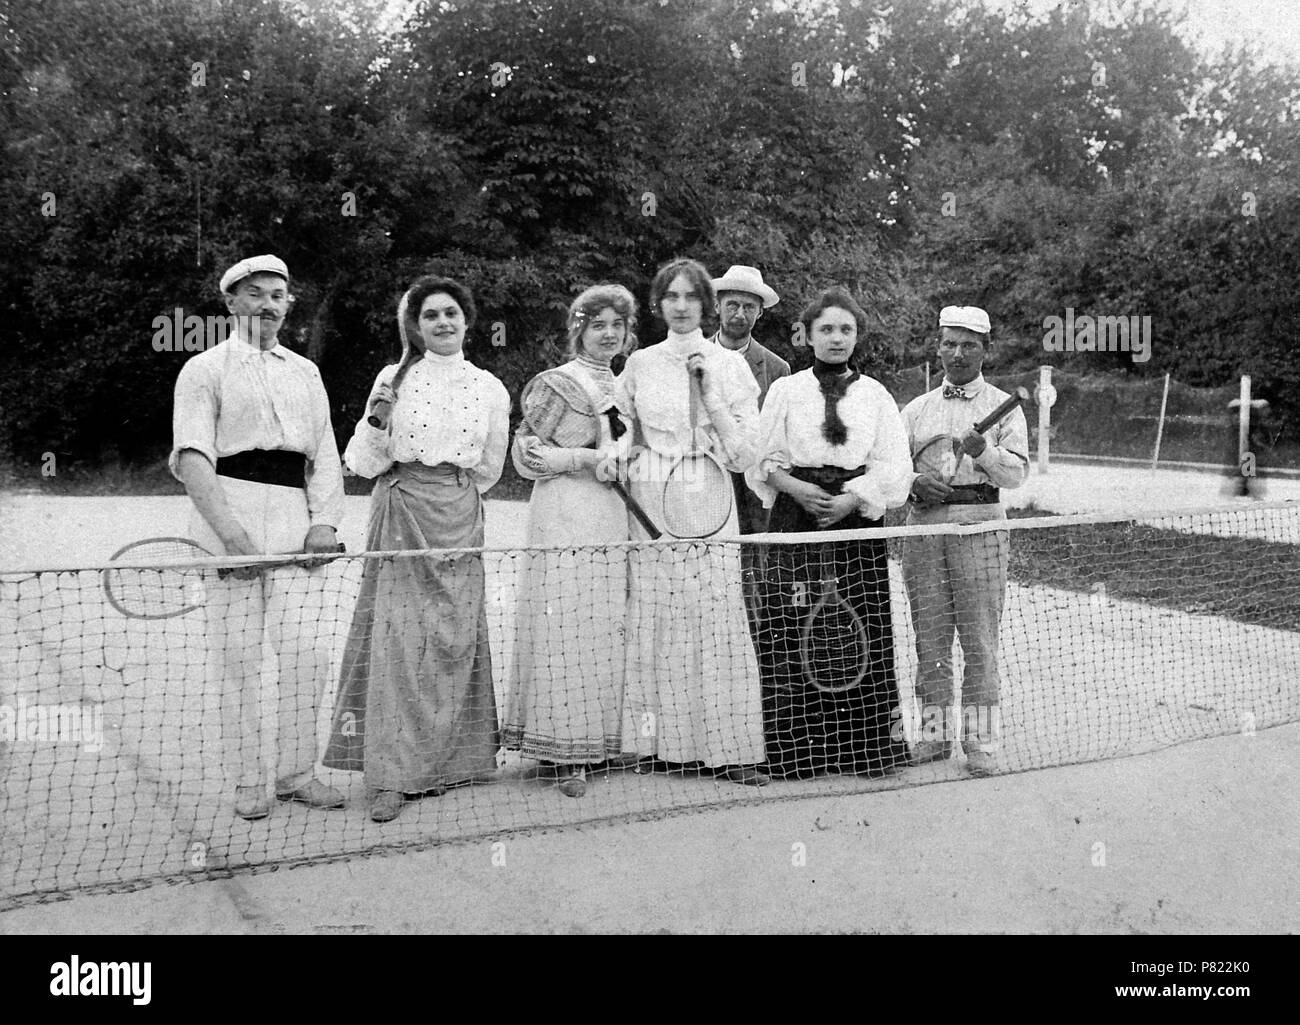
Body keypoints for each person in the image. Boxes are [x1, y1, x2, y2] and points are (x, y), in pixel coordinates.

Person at [323, 275, 510, 822]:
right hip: (401, 508)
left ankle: (452, 763)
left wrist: (450, 495)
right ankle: (392, 776)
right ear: (417, 325)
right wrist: (376, 415)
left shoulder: (489, 387)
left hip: (458, 514)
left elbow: (489, 469)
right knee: (400, 641)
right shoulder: (392, 377)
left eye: (452, 313)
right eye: (431, 316)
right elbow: (361, 462)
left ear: (467, 320)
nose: (443, 323)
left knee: (454, 637)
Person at [170, 253, 346, 821]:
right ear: (230, 302)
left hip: (294, 515)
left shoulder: (306, 372)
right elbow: (194, 459)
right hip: (230, 512)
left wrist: (323, 523)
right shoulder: (203, 370)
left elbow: (324, 456)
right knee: (238, 656)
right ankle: (249, 782)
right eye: (255, 293)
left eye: (278, 294)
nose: (268, 304)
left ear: (287, 304)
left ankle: (297, 774)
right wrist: (230, 536)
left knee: (309, 653)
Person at [747, 288, 912, 778]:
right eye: (827, 330)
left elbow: (894, 466)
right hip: (798, 518)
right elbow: (763, 460)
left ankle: (862, 750)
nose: (837, 339)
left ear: (856, 336)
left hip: (855, 519)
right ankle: (795, 754)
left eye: (846, 330)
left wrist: (852, 497)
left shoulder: (876, 394)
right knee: (793, 621)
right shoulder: (786, 390)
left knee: (859, 623)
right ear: (808, 336)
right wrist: (798, 490)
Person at [615, 257, 768, 785]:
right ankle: (656, 744)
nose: (681, 307)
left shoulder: (730, 366)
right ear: (658, 305)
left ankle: (728, 750)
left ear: (708, 305)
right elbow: (623, 433)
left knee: (714, 615)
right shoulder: (638, 364)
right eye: (671, 298)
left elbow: (747, 456)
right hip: (653, 501)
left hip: (710, 497)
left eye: (691, 298)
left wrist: (708, 395)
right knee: (657, 613)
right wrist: (617, 455)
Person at [502, 284, 638, 798]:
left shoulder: (625, 386)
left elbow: (631, 452)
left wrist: (622, 463)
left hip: (610, 514)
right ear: (577, 329)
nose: (608, 335)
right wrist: (584, 460)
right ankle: (563, 753)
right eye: (597, 325)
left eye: (617, 327)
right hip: (563, 510)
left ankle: (599, 743)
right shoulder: (557, 383)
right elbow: (526, 459)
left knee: (605, 622)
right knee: (567, 622)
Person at [901, 306, 1029, 777]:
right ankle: (934, 739)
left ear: (985, 349)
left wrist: (986, 452)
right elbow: (892, 470)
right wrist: (915, 482)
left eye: (969, 345)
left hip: (982, 522)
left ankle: (981, 742)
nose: (958, 353)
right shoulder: (915, 409)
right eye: (950, 343)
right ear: (937, 346)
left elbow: (1016, 475)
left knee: (979, 639)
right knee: (930, 639)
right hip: (924, 525)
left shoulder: (1003, 405)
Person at [707, 265, 791, 645]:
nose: (739, 314)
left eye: (748, 307)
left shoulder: (777, 368)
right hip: (704, 482)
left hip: (754, 487)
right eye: (732, 304)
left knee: (754, 565)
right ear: (718, 306)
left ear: (760, 312)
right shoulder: (695, 357)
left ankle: (754, 647)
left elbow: (777, 436)